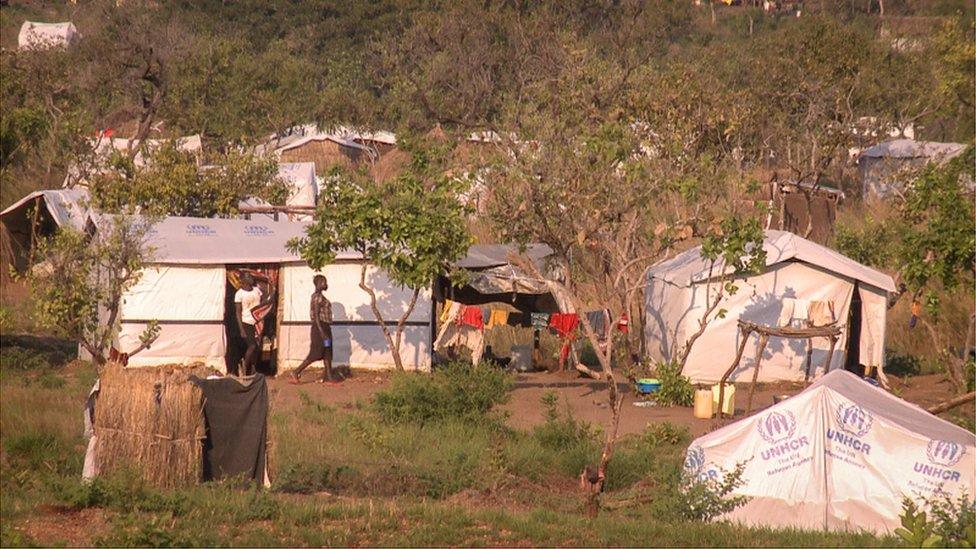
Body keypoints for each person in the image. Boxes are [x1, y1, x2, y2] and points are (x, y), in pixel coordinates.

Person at [289, 274, 339, 384]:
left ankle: (329, 377)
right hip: (319, 327)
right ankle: (296, 372)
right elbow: (316, 316)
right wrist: (322, 332)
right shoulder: (317, 297)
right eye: (324, 282)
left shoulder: (321, 296)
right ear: (318, 284)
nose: (326, 284)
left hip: (325, 327)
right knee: (316, 353)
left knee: (327, 352)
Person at [234, 272, 275, 376]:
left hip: (258, 322)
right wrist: (241, 329)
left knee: (257, 347)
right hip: (246, 322)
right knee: (252, 346)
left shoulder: (257, 290)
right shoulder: (239, 294)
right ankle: (243, 369)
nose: (251, 278)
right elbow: (238, 312)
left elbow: (264, 301)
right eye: (248, 276)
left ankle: (253, 370)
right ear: (243, 280)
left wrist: (271, 290)